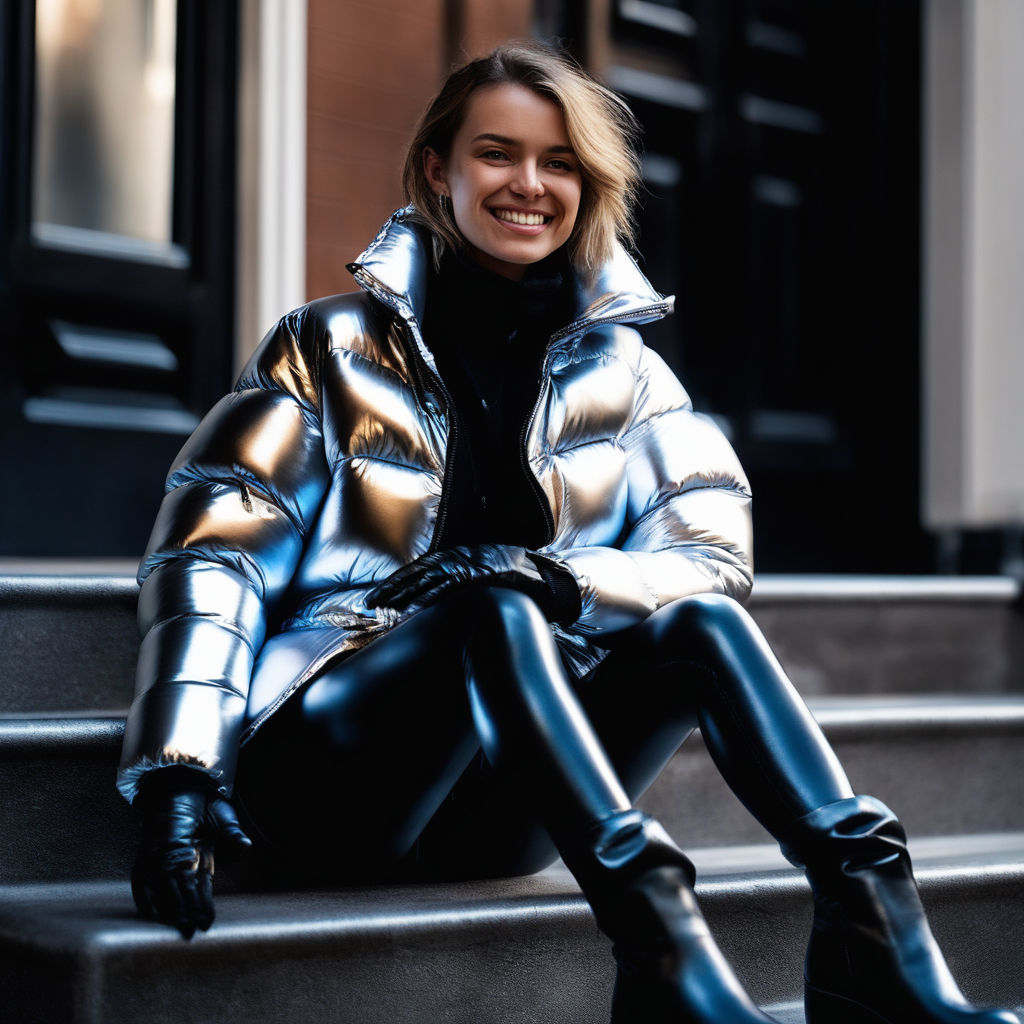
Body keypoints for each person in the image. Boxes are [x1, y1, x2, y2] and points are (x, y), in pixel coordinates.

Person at [117, 41, 1017, 1024]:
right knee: (486, 606)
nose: (529, 186)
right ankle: (658, 939)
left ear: (588, 186)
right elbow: (216, 553)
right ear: (437, 169)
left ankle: (871, 927)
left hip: (493, 815)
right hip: (332, 779)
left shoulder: (625, 374)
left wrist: (558, 579)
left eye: (560, 164)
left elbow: (709, 558)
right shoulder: (325, 346)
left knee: (700, 627)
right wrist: (177, 772)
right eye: (497, 154)